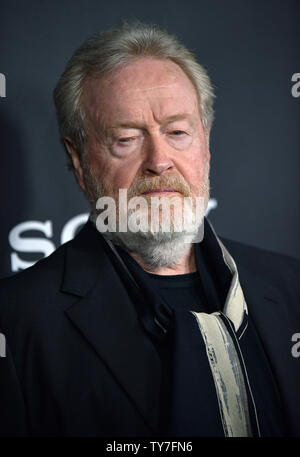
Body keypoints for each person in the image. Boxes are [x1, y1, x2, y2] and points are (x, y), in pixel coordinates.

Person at [0, 21, 300, 437]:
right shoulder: (16, 325)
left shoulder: (290, 286)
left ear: (206, 145)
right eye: (126, 138)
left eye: (177, 132)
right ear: (79, 161)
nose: (159, 160)